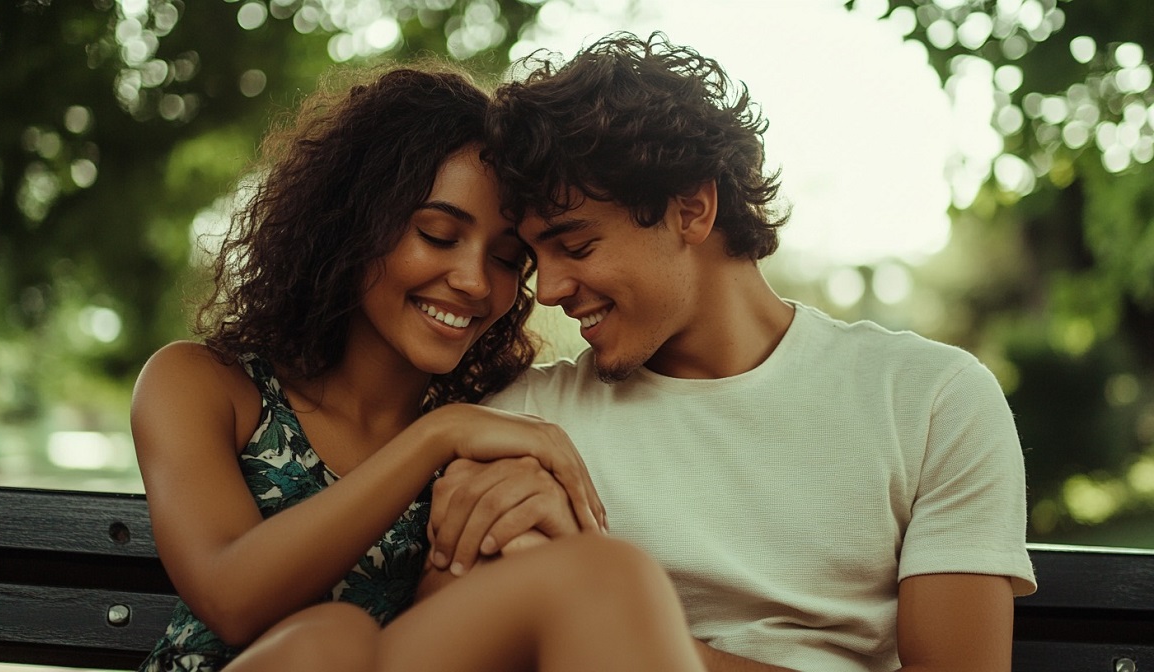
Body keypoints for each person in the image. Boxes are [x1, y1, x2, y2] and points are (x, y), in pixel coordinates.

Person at [423, 32, 1037, 672]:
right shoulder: (523, 423)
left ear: (692, 208)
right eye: (533, 257)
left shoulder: (929, 400)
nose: (548, 291)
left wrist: (617, 628)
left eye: (575, 246)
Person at [130, 62, 708, 672]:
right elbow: (231, 598)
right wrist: (438, 434)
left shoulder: (486, 433)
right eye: (437, 234)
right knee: (327, 638)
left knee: (607, 573)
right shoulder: (201, 385)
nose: (473, 281)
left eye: (509, 259)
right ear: (352, 222)